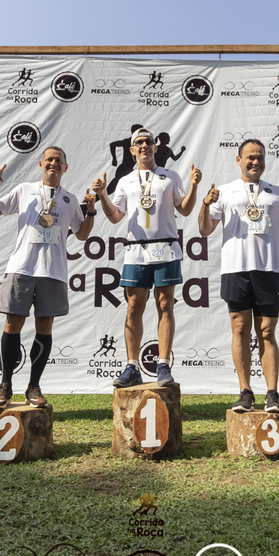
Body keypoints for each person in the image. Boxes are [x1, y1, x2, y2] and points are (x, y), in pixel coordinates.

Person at [198, 139, 279, 414]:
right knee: (240, 330)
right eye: (250, 157)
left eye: (259, 158)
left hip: (267, 271)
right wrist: (205, 203)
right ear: (238, 160)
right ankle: (245, 392)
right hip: (235, 270)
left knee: (266, 332)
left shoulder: (277, 193)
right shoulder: (223, 192)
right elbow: (204, 230)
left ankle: (272, 394)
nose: (255, 162)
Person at [0, 146, 96, 411]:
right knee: (13, 324)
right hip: (22, 268)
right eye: (49, 160)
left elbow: (82, 234)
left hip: (53, 272)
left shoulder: (69, 199)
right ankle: (5, 386)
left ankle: (33, 387)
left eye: (59, 160)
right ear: (40, 164)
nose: (53, 164)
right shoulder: (24, 191)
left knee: (44, 327)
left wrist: (91, 211)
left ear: (66, 167)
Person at [92, 129, 202, 388]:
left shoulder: (170, 176)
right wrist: (103, 196)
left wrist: (194, 186)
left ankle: (163, 364)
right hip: (136, 250)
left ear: (155, 147)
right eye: (139, 143)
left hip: (166, 248)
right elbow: (115, 216)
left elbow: (184, 209)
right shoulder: (125, 181)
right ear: (132, 150)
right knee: (133, 307)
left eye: (148, 142)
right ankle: (132, 367)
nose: (144, 146)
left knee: (165, 305)